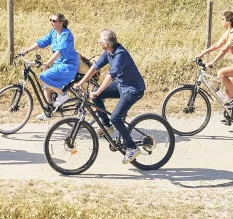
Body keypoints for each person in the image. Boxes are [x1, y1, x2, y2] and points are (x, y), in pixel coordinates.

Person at [78, 29, 145, 164]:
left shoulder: (120, 54)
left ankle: (132, 147)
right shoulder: (108, 52)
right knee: (96, 96)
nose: (98, 42)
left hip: (133, 89)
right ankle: (106, 125)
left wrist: (98, 91)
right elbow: (95, 67)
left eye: (100, 41)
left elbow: (110, 75)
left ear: (106, 43)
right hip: (121, 85)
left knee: (115, 117)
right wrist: (81, 82)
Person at [20, 13, 80, 119]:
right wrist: (26, 51)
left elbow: (59, 51)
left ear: (61, 23)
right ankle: (49, 112)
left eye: (54, 21)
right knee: (47, 87)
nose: (51, 23)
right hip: (58, 64)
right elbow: (42, 42)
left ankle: (63, 95)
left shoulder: (66, 34)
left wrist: (48, 63)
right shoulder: (53, 33)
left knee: (43, 76)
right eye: (50, 20)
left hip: (67, 66)